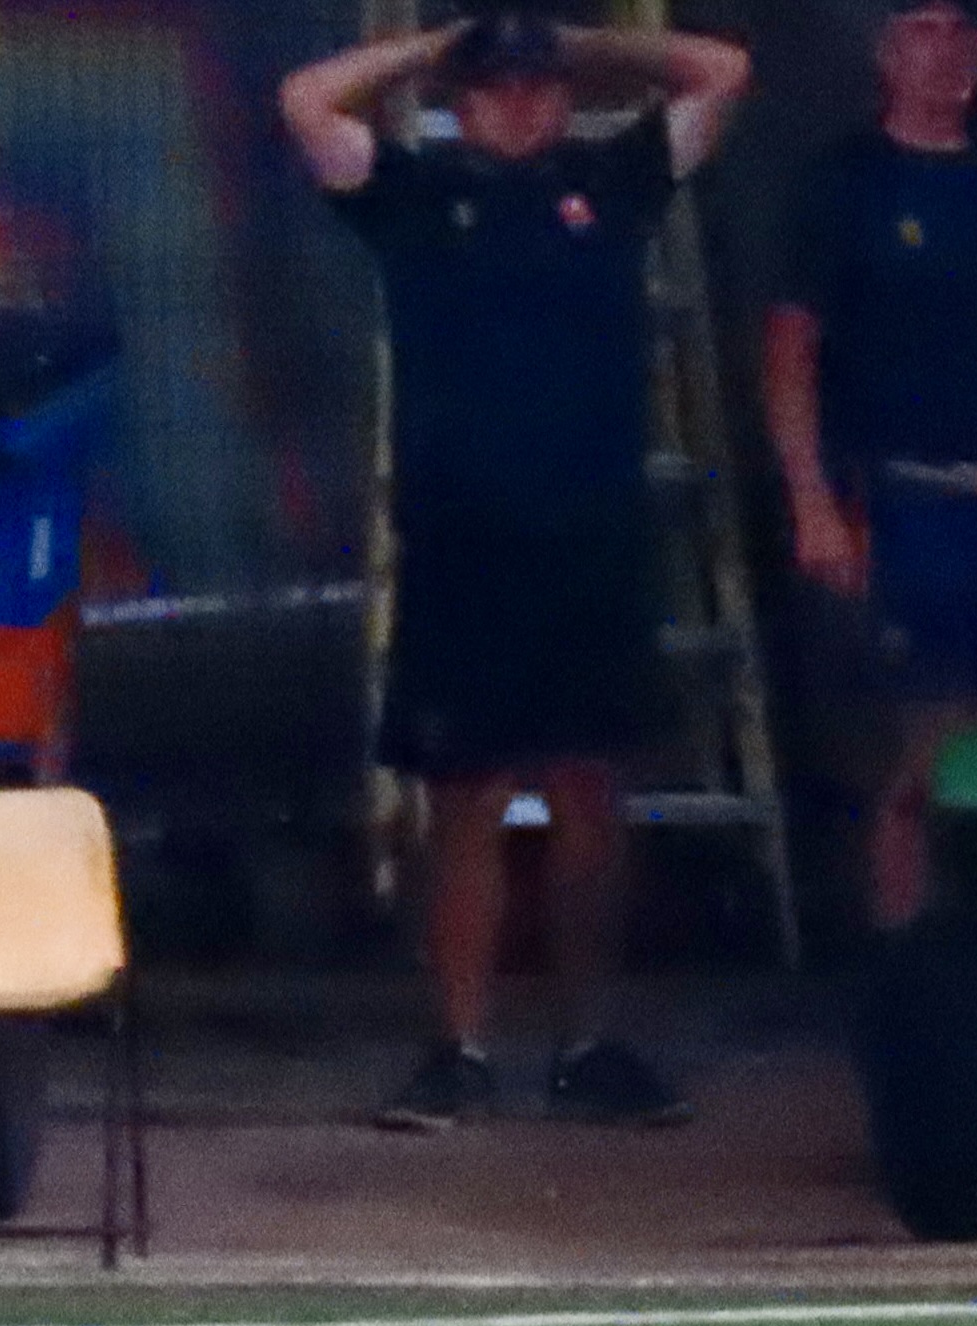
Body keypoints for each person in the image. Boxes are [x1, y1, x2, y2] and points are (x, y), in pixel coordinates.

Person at [281, 6, 748, 1132]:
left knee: (591, 790)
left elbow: (723, 72)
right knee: (468, 797)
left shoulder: (611, 181)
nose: (522, 105)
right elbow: (305, 100)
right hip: (465, 541)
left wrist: (590, 47)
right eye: (497, 87)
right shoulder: (413, 193)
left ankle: (591, 1045)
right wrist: (432, 47)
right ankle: (459, 1049)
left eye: (539, 86)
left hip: (591, 538)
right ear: (463, 100)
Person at [763, 0, 977, 937]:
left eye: (962, 35)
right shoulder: (846, 183)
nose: (945, 52)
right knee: (922, 743)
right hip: (906, 497)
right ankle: (905, 953)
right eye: (923, 31)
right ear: (886, 51)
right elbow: (790, 352)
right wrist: (813, 503)